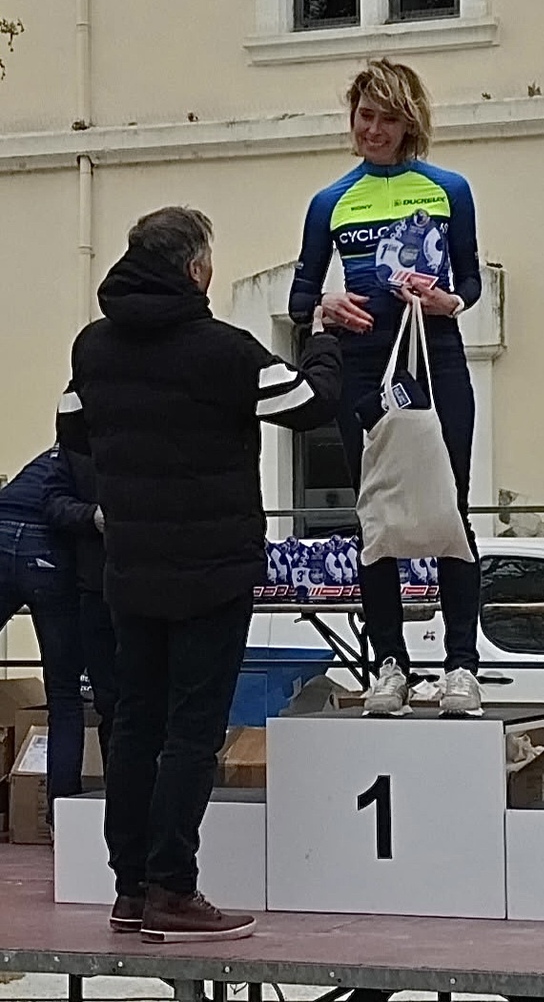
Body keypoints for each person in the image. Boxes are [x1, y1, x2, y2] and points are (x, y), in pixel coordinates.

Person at [58, 206, 342, 943]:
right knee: (191, 731)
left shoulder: (93, 346)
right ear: (195, 269)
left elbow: (73, 432)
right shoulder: (223, 350)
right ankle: (174, 891)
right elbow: (311, 406)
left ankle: (130, 889)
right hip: (212, 571)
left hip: (129, 567)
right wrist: (323, 339)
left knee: (133, 725)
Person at [289, 58, 482, 717]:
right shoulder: (330, 201)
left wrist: (449, 302)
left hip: (436, 358)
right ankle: (389, 666)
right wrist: (326, 307)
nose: (372, 130)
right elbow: (300, 298)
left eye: (387, 119)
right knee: (375, 514)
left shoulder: (448, 189)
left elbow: (469, 280)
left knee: (449, 507)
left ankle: (461, 666)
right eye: (364, 116)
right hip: (363, 366)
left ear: (410, 123)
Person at [0, 448, 85, 817]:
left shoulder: (50, 456)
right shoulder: (108, 459)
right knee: (64, 696)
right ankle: (61, 816)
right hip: (48, 548)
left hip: (2, 526)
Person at [42, 445, 116, 770]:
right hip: (99, 585)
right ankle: (121, 789)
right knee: (109, 700)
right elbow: (52, 502)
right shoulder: (75, 446)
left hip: (148, 584)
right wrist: (90, 516)